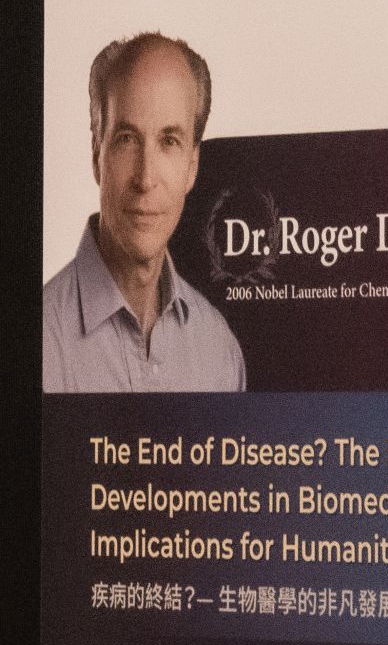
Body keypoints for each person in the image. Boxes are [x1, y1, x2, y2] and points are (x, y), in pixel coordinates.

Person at [40, 31, 245, 392]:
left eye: (169, 141)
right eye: (127, 139)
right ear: (96, 155)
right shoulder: (44, 340)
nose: (145, 178)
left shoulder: (220, 352)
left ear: (192, 166)